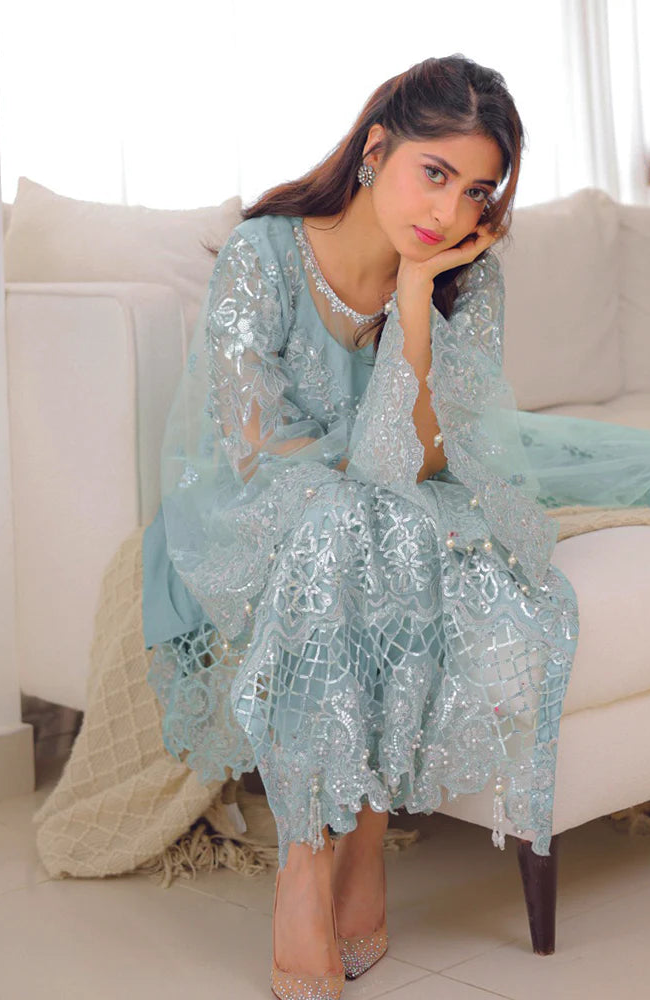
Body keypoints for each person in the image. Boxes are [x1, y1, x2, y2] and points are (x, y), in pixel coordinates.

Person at [141, 54, 578, 999]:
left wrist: (415, 300)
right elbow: (254, 446)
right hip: (256, 505)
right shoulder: (262, 254)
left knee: (398, 526)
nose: (450, 212)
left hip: (388, 502)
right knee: (345, 525)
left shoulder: (465, 279)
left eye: (477, 192)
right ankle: (305, 861)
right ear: (377, 148)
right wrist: (359, 477)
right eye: (435, 173)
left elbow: (414, 462)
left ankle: (366, 834)